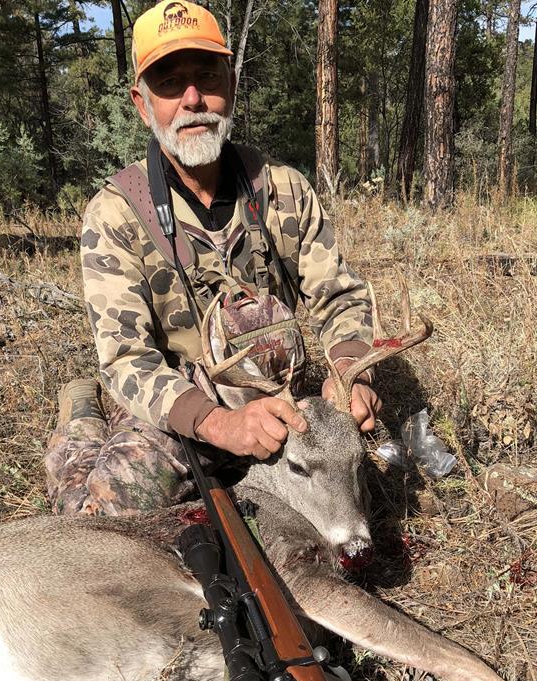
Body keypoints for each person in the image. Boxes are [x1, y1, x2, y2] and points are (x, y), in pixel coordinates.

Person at [44, 0, 381, 519]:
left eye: (207, 76)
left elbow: (339, 297)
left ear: (232, 84)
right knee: (96, 518)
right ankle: (82, 416)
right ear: (142, 104)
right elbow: (127, 359)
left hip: (277, 397)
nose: (193, 99)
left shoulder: (283, 189)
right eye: (169, 83)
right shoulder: (116, 214)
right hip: (182, 404)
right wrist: (217, 424)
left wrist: (350, 373)